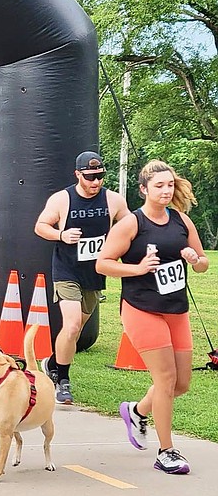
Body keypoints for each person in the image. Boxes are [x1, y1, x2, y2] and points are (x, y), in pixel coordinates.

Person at [96, 160, 208, 475]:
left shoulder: (182, 221)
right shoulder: (132, 224)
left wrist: (193, 258)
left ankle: (136, 411)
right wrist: (138, 269)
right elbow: (103, 264)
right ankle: (166, 451)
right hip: (141, 308)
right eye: (159, 186)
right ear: (144, 189)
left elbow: (202, 265)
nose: (166, 190)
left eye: (169, 185)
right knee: (165, 379)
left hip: (176, 309)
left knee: (181, 383)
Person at [34, 151, 129, 404]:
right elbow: (40, 226)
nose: (95, 182)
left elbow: (130, 227)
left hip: (94, 272)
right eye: (89, 177)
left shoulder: (114, 200)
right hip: (67, 270)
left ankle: (53, 362)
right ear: (78, 175)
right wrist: (61, 235)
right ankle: (62, 380)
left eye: (99, 176)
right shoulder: (62, 199)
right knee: (73, 324)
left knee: (75, 331)